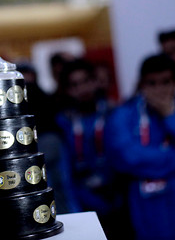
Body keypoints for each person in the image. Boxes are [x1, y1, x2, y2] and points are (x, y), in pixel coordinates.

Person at [105, 54, 175, 240]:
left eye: (166, 82)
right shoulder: (123, 115)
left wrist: (171, 116)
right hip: (148, 224)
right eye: (152, 83)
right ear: (142, 84)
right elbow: (128, 158)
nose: (159, 90)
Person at [54, 59, 129, 238]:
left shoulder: (115, 113)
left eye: (86, 81)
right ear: (68, 90)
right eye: (75, 85)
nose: (83, 89)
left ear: (96, 81)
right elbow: (66, 174)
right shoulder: (63, 123)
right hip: (84, 201)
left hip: (121, 197)